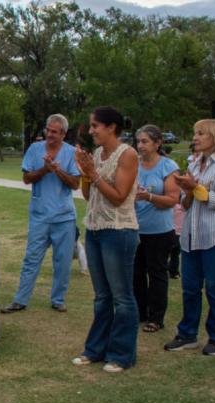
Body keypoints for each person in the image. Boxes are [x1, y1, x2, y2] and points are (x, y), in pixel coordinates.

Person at [165, 119, 215, 356]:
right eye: (195, 133)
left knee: (214, 288)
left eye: (201, 134)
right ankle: (188, 333)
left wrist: (196, 189)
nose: (195, 138)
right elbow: (185, 203)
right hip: (191, 235)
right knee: (190, 288)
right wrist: (188, 190)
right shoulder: (195, 163)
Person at [73, 106, 139, 373]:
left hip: (119, 231)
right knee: (101, 297)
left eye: (94, 126)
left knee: (122, 297)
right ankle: (95, 349)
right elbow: (90, 196)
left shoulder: (128, 155)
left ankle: (121, 355)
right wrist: (86, 172)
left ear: (111, 127)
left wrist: (95, 174)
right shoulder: (98, 154)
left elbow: (119, 196)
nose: (91, 131)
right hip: (95, 229)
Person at [0, 114, 80, 314]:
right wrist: (45, 169)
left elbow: (75, 183)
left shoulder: (71, 153)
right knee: (31, 258)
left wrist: (58, 171)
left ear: (63, 133)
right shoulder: (35, 149)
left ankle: (58, 299)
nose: (50, 134)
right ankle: (20, 299)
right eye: (48, 130)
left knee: (62, 262)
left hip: (64, 217)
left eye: (54, 131)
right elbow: (27, 178)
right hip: (40, 215)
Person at [133, 125, 180, 333]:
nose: (140, 146)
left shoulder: (168, 166)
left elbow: (172, 199)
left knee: (157, 274)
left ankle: (156, 317)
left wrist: (149, 197)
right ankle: (140, 312)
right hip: (135, 229)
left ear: (157, 143)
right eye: (138, 142)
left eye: (145, 141)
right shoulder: (133, 165)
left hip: (160, 231)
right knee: (136, 274)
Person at [167, 203, 185, 279]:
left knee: (174, 254)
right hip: (174, 233)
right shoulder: (176, 207)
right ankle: (173, 271)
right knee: (174, 254)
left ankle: (173, 271)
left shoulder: (179, 207)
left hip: (177, 233)